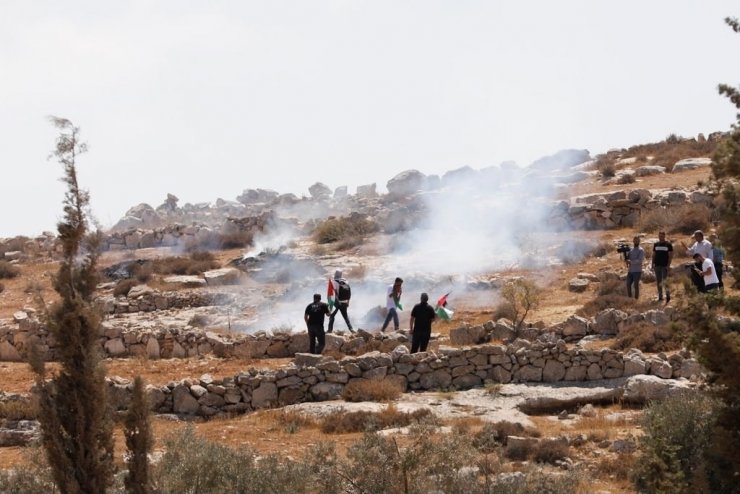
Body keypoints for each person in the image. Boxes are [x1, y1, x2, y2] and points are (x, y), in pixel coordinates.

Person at [651, 231, 673, 304]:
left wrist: (668, 265)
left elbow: (670, 255)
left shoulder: (668, 244)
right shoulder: (656, 244)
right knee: (658, 281)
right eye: (659, 235)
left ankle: (668, 296)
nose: (660, 237)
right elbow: (654, 255)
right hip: (657, 265)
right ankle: (660, 297)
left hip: (664, 266)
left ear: (664, 236)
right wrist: (652, 264)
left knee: (665, 281)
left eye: (662, 236)